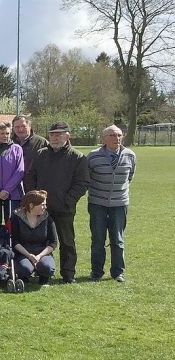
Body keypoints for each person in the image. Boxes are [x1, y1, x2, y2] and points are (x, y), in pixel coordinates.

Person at [24, 121, 89, 283]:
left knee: (67, 242)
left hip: (64, 208)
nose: (54, 137)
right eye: (52, 134)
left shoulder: (78, 157)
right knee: (41, 241)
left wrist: (68, 200)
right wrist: (35, 200)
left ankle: (68, 274)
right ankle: (43, 272)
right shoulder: (40, 154)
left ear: (68, 136)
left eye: (59, 134)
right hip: (41, 209)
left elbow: (82, 183)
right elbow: (30, 177)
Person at [87, 125, 136, 282]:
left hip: (120, 204)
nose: (117, 138)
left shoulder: (130, 155)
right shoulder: (93, 156)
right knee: (98, 239)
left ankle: (118, 272)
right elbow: (87, 178)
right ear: (104, 138)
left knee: (118, 239)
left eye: (119, 135)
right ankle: (96, 271)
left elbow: (130, 177)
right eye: (113, 135)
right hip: (97, 203)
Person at [10, 190, 57, 285]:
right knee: (24, 269)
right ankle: (24, 276)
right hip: (23, 253)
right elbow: (15, 241)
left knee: (47, 268)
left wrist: (39, 256)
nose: (45, 207)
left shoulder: (47, 218)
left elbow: (53, 242)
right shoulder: (16, 218)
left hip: (42, 252)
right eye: (42, 204)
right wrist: (29, 256)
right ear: (31, 205)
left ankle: (44, 277)